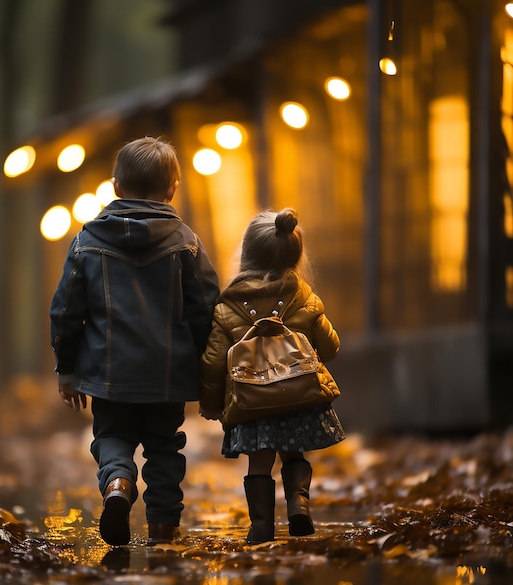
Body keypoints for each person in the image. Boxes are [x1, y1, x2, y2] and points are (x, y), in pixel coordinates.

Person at [50, 137, 220, 547]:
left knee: (111, 436)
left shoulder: (87, 241)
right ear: (172, 189)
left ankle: (119, 484)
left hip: (108, 375)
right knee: (165, 447)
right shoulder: (186, 242)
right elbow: (206, 308)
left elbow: (66, 310)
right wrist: (208, 367)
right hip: (167, 375)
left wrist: (67, 369)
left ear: (115, 187)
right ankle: (163, 527)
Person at [199, 208, 345, 545]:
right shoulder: (305, 298)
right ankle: (299, 507)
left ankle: (261, 526)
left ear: (246, 255)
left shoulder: (227, 308)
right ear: (295, 256)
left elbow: (213, 362)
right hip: (299, 398)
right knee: (295, 454)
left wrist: (211, 404)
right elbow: (331, 346)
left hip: (253, 405)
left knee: (259, 466)